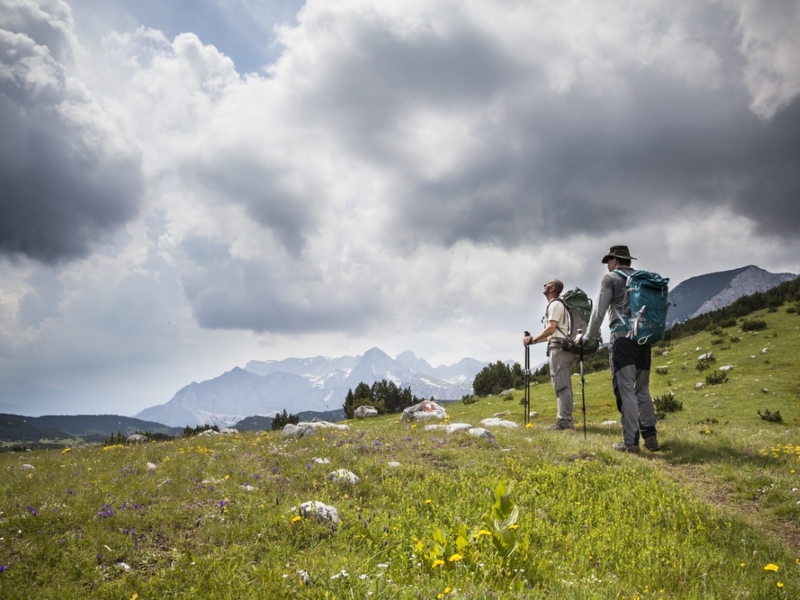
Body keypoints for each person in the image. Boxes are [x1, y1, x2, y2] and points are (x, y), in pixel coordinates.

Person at [576, 245, 659, 453]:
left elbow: (599, 312)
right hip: (644, 338)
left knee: (626, 390)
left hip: (622, 340)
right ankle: (650, 437)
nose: (607, 266)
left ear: (614, 260)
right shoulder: (643, 278)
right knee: (642, 389)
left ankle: (630, 442)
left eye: (608, 262)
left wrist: (586, 337)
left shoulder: (611, 279)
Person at [523, 279, 574, 430]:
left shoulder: (555, 304)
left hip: (558, 350)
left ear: (552, 288)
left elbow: (551, 329)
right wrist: (534, 341)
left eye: (546, 284)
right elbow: (553, 332)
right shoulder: (557, 304)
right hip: (561, 347)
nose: (544, 285)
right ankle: (565, 419)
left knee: (562, 386)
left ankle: (564, 422)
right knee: (563, 384)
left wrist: (533, 338)